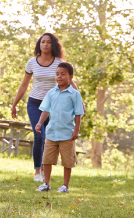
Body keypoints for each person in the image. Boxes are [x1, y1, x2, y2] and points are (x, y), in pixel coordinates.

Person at [10, 33, 77, 182]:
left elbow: (70, 82)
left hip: (54, 105)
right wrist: (14, 104)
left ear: (53, 45)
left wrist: (80, 103)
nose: (45, 44)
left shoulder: (59, 62)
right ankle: (37, 171)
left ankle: (51, 172)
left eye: (48, 42)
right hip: (35, 103)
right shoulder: (32, 63)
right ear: (39, 45)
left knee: (52, 138)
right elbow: (24, 85)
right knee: (39, 136)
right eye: (42, 42)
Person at [34, 62, 84, 193]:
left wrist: (76, 130)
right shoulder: (51, 93)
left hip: (67, 134)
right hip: (51, 133)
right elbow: (46, 110)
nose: (59, 77)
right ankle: (46, 183)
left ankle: (65, 186)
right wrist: (39, 123)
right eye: (57, 74)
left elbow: (79, 113)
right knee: (47, 159)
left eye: (63, 74)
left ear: (70, 77)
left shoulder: (74, 94)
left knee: (67, 161)